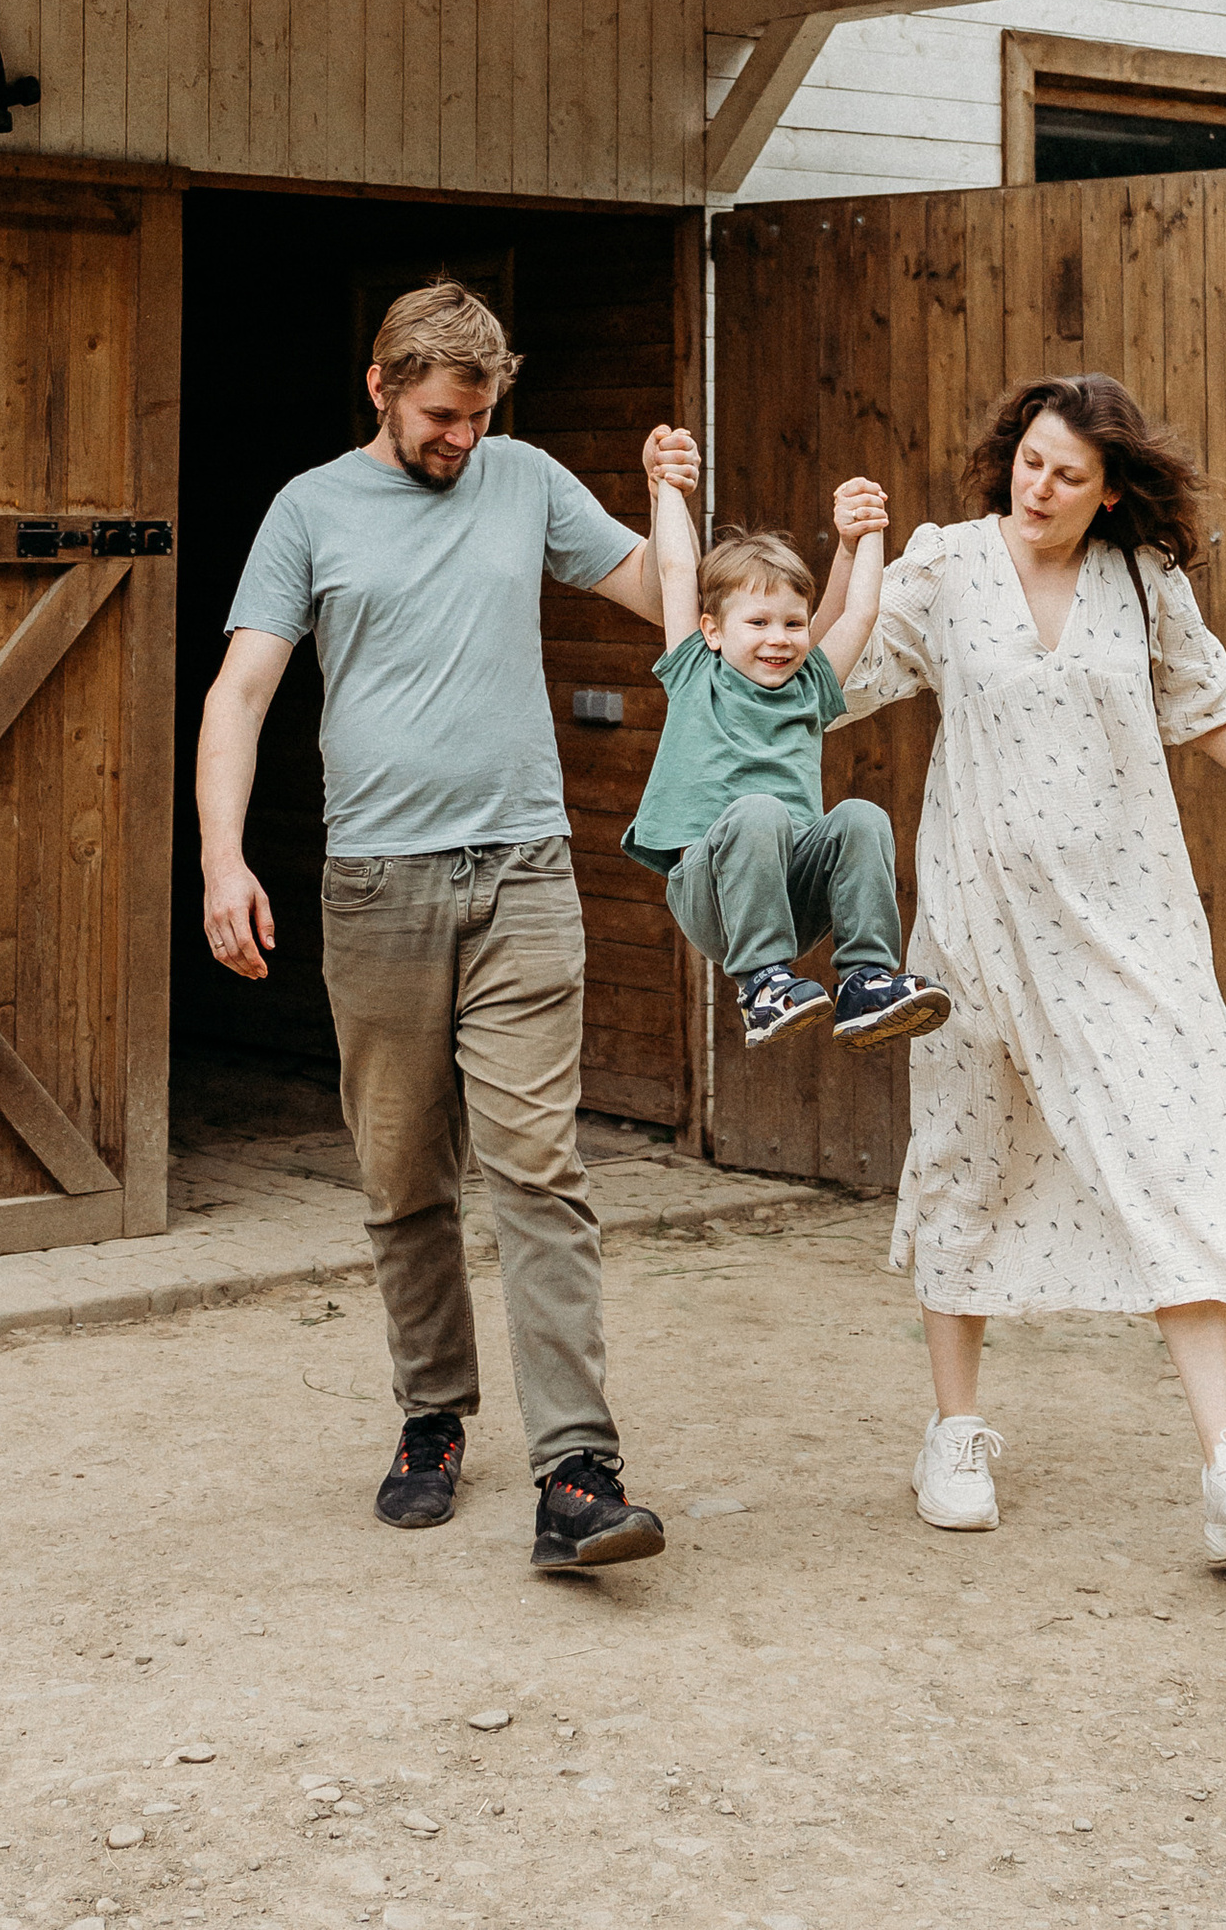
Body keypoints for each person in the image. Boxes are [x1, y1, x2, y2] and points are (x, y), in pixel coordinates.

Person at [828, 370, 1226, 1564]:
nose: (1039, 488)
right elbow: (830, 684)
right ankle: (956, 1432)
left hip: (1126, 927)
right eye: (1030, 462)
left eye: (1068, 476)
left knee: (1177, 1152)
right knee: (964, 1159)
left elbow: (1214, 711)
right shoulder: (941, 568)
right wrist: (851, 562)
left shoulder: (1143, 586)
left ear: (1108, 493)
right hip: (979, 932)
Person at [197, 279, 693, 1577]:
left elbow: (662, 598)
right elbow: (242, 693)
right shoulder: (309, 509)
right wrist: (219, 859)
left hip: (524, 873)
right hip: (375, 888)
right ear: (379, 387)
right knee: (404, 1176)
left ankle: (579, 1473)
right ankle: (433, 1417)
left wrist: (672, 497)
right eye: (438, 417)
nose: (459, 441)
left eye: (476, 417)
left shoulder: (524, 478)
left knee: (540, 1169)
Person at [625, 471, 950, 1053]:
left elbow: (860, 611)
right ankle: (761, 987)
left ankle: (865, 981)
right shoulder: (697, 674)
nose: (780, 638)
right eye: (758, 622)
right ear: (713, 631)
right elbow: (678, 572)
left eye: (793, 623)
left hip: (792, 899)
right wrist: (668, 485)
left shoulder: (809, 688)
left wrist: (866, 531)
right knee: (759, 811)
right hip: (714, 891)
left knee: (861, 816)